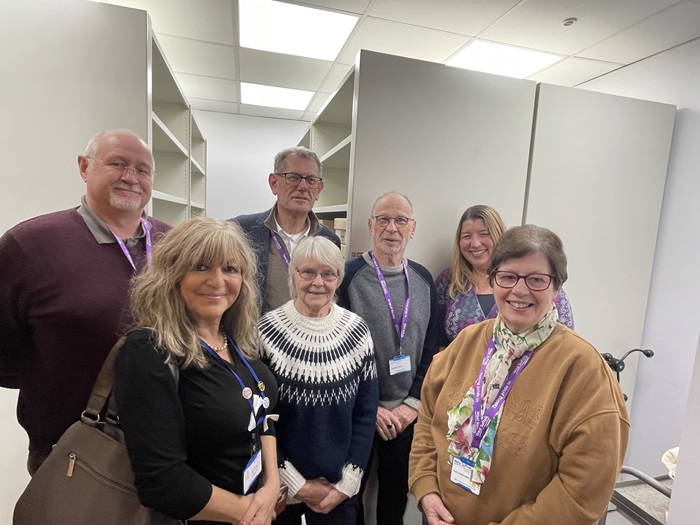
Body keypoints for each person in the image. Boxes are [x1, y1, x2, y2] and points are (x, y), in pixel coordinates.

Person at [409, 225, 629, 525]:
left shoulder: (583, 369)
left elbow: (584, 489)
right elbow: (428, 418)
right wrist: (426, 488)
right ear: (493, 278)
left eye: (537, 280)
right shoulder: (466, 343)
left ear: (556, 286)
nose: (519, 290)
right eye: (508, 276)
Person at [0, 129, 170, 475]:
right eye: (118, 164)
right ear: (83, 167)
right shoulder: (29, 245)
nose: (131, 177)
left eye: (142, 170)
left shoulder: (174, 243)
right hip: (71, 452)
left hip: (166, 446)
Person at [115, 217, 280, 525]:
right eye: (201, 266)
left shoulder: (241, 342)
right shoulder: (150, 352)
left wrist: (272, 485)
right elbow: (163, 483)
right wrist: (249, 513)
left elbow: (264, 414)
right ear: (173, 274)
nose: (217, 281)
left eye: (230, 269)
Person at [258, 236, 379, 524]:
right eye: (308, 272)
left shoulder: (357, 331)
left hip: (339, 493)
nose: (318, 282)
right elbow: (262, 420)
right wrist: (295, 484)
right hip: (282, 493)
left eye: (328, 273)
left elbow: (365, 413)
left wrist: (348, 483)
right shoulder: (266, 332)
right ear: (293, 275)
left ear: (339, 278)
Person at [337, 192, 439, 525]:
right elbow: (339, 349)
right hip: (360, 412)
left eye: (400, 220)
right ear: (370, 225)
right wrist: (370, 407)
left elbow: (431, 349)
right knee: (351, 491)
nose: (391, 228)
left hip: (408, 414)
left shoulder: (424, 280)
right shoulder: (347, 276)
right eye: (383, 219)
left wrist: (413, 403)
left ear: (413, 228)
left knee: (395, 493)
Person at [436, 205, 574, 347]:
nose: (476, 243)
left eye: (484, 234)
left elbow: (564, 341)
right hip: (464, 366)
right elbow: (437, 340)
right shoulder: (448, 281)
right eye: (466, 236)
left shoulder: (543, 287)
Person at [232, 147, 341, 314]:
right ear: (274, 183)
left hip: (309, 337)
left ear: (318, 189)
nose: (303, 187)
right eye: (294, 177)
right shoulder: (242, 231)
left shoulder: (329, 240)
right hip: (256, 338)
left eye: (311, 180)